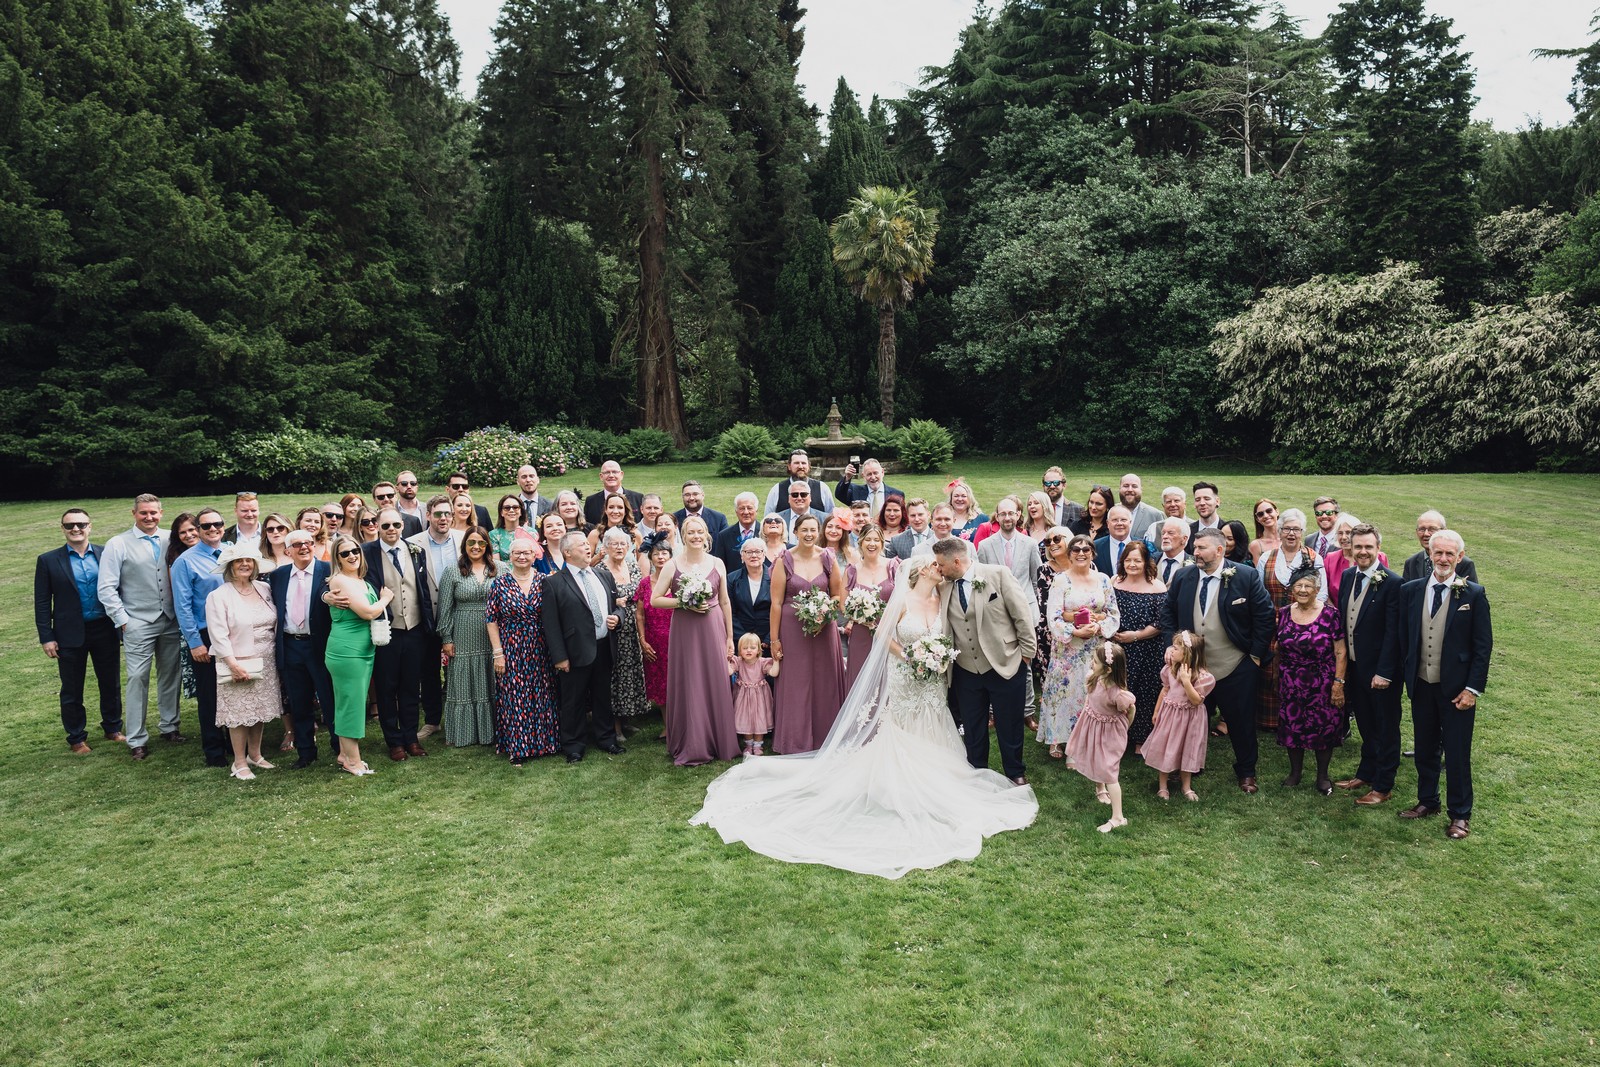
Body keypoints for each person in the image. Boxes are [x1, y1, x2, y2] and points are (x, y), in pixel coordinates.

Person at [691, 551, 1038, 880]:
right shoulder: (901, 601)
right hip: (905, 676)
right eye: (934, 566)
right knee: (901, 729)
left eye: (940, 566)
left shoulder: (943, 598)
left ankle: (942, 777)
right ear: (920, 573)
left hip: (932, 683)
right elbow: (885, 638)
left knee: (934, 723)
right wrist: (913, 658)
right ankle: (903, 783)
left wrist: (936, 658)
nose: (939, 569)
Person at [1391, 530, 1492, 840]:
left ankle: (1460, 814)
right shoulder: (1411, 590)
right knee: (1424, 748)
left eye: (1450, 554)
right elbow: (1404, 637)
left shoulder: (1473, 594)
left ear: (1460, 557)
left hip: (1457, 690)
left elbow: (1482, 647)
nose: (1444, 559)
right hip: (1421, 684)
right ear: (1430, 555)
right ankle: (1427, 801)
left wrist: (1472, 689)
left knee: (1458, 754)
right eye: (1439, 553)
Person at [1159, 528, 1275, 793]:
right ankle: (1189, 765)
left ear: (1220, 550)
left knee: (1241, 722)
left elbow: (1265, 616)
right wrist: (1171, 645)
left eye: (1201, 548)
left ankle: (1246, 772)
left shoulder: (1244, 576)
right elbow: (1168, 611)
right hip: (1193, 668)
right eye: (1195, 547)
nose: (1195, 552)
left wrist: (1254, 656)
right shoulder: (1184, 576)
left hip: (1234, 664)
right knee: (1188, 719)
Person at [98, 494, 185, 760]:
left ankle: (169, 726)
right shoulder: (118, 543)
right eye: (143, 513)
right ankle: (136, 738)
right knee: (137, 678)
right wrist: (123, 619)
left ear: (161, 512)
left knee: (171, 675)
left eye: (154, 513)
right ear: (134, 513)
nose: (149, 517)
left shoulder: (172, 538)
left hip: (170, 619)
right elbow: (106, 587)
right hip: (137, 621)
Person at [36, 508, 124, 753]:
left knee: (111, 683)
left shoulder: (105, 554)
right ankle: (76, 737)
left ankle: (113, 728)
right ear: (62, 528)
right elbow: (42, 601)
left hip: (105, 629)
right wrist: (47, 637)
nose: (76, 529)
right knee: (72, 688)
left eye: (81, 524)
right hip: (69, 633)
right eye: (70, 525)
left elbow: (119, 589)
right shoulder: (48, 560)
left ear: (90, 526)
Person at [652, 515, 739, 765]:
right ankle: (692, 741)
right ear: (683, 535)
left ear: (707, 534)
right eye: (691, 532)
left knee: (714, 679)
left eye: (700, 531)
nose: (696, 536)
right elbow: (656, 599)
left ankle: (717, 739)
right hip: (685, 629)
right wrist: (683, 602)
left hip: (712, 627)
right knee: (690, 681)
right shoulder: (673, 564)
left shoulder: (718, 563)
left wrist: (730, 636)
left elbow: (724, 601)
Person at [1333, 524, 1405, 806]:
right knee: (1365, 723)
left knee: (1386, 727)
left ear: (1378, 549)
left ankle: (1384, 784)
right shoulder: (1349, 575)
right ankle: (1366, 772)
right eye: (1358, 546)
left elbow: (1394, 633)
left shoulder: (1392, 582)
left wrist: (1384, 672)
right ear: (1350, 547)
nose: (1363, 552)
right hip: (1354, 666)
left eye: (1368, 547)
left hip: (1381, 672)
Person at [543, 532, 625, 762]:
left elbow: (618, 605)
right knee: (573, 700)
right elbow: (550, 624)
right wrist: (559, 656)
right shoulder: (553, 582)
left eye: (588, 545)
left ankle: (606, 739)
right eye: (582, 545)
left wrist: (618, 618)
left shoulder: (603, 575)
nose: (588, 549)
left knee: (602, 697)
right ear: (567, 552)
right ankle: (573, 745)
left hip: (603, 647)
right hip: (574, 651)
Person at [769, 513, 846, 754]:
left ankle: (826, 737)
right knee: (796, 682)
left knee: (825, 681)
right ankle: (795, 740)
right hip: (793, 630)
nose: (809, 534)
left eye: (813, 530)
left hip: (824, 629)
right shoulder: (784, 560)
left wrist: (825, 612)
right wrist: (774, 639)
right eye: (804, 530)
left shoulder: (828, 558)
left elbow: (838, 596)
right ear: (795, 532)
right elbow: (776, 603)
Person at [363, 507, 434, 761]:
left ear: (402, 526)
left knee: (411, 687)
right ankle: (394, 741)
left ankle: (411, 738)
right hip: (386, 631)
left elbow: (422, 589)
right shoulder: (366, 552)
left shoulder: (416, 550)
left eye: (395, 525)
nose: (391, 530)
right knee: (386, 688)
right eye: (385, 526)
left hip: (415, 630)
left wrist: (427, 625)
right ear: (378, 528)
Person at [205, 545, 281, 780]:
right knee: (239, 713)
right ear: (230, 566)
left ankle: (255, 755)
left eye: (249, 560)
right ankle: (238, 762)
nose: (245, 565)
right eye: (239, 561)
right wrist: (232, 663)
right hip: (237, 660)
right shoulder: (219, 595)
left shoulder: (264, 588)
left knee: (259, 709)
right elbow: (218, 634)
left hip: (267, 658)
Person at [1041, 534, 1118, 763]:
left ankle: (1088, 740)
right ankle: (1059, 738)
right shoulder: (1061, 580)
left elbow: (1113, 613)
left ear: (1093, 553)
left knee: (1091, 693)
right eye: (1076, 550)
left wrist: (1099, 626)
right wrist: (1074, 631)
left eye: (1086, 549)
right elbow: (1052, 616)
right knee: (1066, 692)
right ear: (1069, 554)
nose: (1081, 553)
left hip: (1095, 647)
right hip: (1068, 650)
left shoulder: (1103, 579)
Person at [485, 532, 560, 765]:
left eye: (526, 552)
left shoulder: (545, 581)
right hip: (511, 648)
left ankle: (546, 743)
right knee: (514, 696)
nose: (521, 556)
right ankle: (518, 746)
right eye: (516, 552)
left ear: (534, 555)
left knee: (543, 694)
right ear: (509, 556)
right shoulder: (500, 583)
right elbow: (491, 619)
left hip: (541, 646)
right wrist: (498, 653)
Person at [1275, 564, 1347, 796]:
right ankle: (1295, 773)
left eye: (1308, 586)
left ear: (1317, 590)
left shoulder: (1331, 614)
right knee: (1292, 727)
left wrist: (1338, 683)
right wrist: (1278, 676)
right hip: (1291, 680)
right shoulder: (1284, 612)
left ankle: (1322, 776)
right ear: (1292, 591)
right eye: (1299, 586)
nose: (1303, 590)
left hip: (1322, 682)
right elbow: (1278, 646)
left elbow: (1341, 652)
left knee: (1323, 729)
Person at [324, 534, 392, 776]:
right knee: (350, 704)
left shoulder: (360, 580)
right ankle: (353, 761)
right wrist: (385, 598)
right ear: (337, 558)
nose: (352, 555)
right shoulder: (340, 581)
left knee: (350, 701)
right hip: (347, 651)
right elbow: (366, 612)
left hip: (364, 650)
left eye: (355, 551)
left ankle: (344, 754)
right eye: (345, 553)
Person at [269, 530, 337, 768]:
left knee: (330, 700)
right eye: (297, 545)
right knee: (299, 702)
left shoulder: (328, 571)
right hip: (290, 645)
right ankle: (306, 752)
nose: (304, 548)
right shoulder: (278, 576)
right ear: (288, 551)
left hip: (321, 645)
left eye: (308, 543)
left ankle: (340, 748)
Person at [1256, 508, 1327, 732]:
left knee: (1299, 670)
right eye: (1286, 529)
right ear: (1279, 531)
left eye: (1296, 529)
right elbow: (1258, 591)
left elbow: (1322, 594)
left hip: (1302, 623)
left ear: (1303, 532)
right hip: (1271, 622)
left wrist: (1304, 616)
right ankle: (1269, 720)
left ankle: (1301, 718)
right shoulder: (1267, 557)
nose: (1291, 534)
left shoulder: (1314, 558)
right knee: (1270, 667)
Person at [173, 507, 229, 768]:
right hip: (205, 633)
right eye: (205, 526)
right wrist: (195, 643)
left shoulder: (231, 551)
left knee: (234, 689)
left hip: (234, 630)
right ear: (198, 529)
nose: (212, 529)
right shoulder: (186, 561)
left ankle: (235, 743)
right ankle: (214, 750)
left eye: (217, 524)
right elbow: (182, 606)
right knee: (210, 694)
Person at [1065, 644, 1137, 832]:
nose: (1092, 663)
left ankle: (1118, 817)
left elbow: (1130, 711)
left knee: (1109, 770)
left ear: (1108, 669)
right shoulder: (1093, 679)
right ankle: (1100, 788)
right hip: (1092, 726)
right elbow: (1091, 700)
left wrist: (1124, 729)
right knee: (1097, 759)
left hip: (1110, 734)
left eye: (1095, 661)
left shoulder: (1118, 694)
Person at [407, 495, 461, 739]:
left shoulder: (464, 539)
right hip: (425, 616)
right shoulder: (411, 543)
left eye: (447, 513)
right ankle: (432, 719)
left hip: (459, 615)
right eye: (437, 514)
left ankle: (458, 716)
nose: (443, 518)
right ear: (427, 515)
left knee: (458, 668)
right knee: (428, 669)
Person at [438, 527, 497, 747]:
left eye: (481, 543)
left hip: (494, 634)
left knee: (490, 679)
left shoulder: (499, 568)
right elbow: (444, 607)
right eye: (471, 542)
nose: (476, 547)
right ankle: (464, 733)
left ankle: (492, 732)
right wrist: (446, 637)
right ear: (464, 545)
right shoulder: (453, 571)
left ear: (487, 545)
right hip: (462, 633)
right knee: (463, 682)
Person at [1143, 632, 1216, 802]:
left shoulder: (1204, 677)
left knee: (1188, 749)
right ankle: (1163, 785)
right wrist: (1156, 711)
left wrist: (1186, 681)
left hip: (1191, 719)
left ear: (1187, 654)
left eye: (1175, 649)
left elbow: (1196, 700)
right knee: (1166, 747)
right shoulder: (1170, 669)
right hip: (1170, 716)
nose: (1171, 651)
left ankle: (1186, 786)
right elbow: (1165, 690)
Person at [1111, 540, 1167, 754]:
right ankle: (1117, 737)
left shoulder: (1156, 586)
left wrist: (1135, 636)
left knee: (1144, 694)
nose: (1132, 564)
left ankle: (1140, 740)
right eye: (1128, 560)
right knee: (1118, 692)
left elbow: (1161, 622)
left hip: (1147, 649)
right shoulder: (1114, 581)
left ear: (1146, 563)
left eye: (1137, 560)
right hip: (1118, 650)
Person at [598, 526, 649, 727]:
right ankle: (615, 724)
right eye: (614, 544)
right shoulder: (600, 570)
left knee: (632, 671)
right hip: (613, 629)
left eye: (623, 544)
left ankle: (628, 717)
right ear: (606, 547)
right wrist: (614, 603)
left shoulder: (632, 565)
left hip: (633, 627)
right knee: (615, 674)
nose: (619, 548)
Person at [843, 522, 895, 692]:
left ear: (882, 543)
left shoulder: (893, 567)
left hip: (889, 633)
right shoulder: (851, 571)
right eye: (868, 540)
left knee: (887, 680)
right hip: (861, 634)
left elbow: (904, 601)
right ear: (860, 542)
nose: (872, 544)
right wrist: (859, 615)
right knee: (860, 681)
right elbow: (844, 606)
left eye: (876, 540)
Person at [637, 538, 674, 714]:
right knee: (659, 683)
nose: (660, 557)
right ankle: (667, 725)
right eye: (656, 554)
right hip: (654, 642)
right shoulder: (644, 584)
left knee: (678, 680)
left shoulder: (679, 581)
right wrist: (643, 641)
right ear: (651, 557)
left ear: (671, 556)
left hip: (677, 640)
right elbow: (640, 615)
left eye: (664, 553)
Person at [731, 633, 779, 757]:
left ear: (758, 650)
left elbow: (773, 673)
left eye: (752, 648)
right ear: (739, 650)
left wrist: (776, 661)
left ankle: (758, 745)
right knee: (746, 719)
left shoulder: (762, 662)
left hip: (759, 697)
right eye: (745, 648)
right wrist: (727, 659)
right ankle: (749, 745)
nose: (748, 650)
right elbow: (729, 671)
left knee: (759, 719)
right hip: (743, 697)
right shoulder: (739, 662)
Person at [1322, 512, 1388, 603]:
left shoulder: (1379, 557)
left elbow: (1385, 589)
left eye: (1348, 532)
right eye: (1340, 533)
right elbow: (1324, 591)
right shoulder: (1330, 559)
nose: (1344, 537)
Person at [1401, 510, 1479, 582]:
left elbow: (1471, 594)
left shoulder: (1464, 564)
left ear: (1444, 530)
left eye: (1432, 529)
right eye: (1422, 529)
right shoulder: (1411, 563)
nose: (1426, 534)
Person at [728, 537, 773, 650]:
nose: (753, 555)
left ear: (764, 555)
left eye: (758, 551)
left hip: (768, 641)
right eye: (748, 552)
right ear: (742, 556)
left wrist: (769, 638)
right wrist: (745, 638)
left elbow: (779, 608)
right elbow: (729, 612)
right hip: (741, 642)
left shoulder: (775, 577)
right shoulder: (732, 579)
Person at [764, 449, 836, 516]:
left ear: (809, 466)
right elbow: (767, 519)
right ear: (789, 466)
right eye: (796, 463)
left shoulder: (822, 488)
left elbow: (831, 517)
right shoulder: (777, 490)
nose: (800, 466)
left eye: (803, 463)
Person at [582, 461, 645, 525]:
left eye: (614, 472)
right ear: (601, 476)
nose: (611, 475)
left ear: (621, 475)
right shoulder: (590, 502)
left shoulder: (638, 498)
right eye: (607, 472)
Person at [712, 492, 762, 573]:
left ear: (756, 510)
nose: (746, 512)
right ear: (736, 511)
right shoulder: (724, 536)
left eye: (749, 508)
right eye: (742, 508)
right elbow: (720, 566)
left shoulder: (765, 533)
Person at [835, 457, 899, 517]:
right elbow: (840, 495)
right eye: (869, 474)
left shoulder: (896, 494)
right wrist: (847, 477)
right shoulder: (855, 491)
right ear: (863, 476)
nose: (873, 477)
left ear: (882, 472)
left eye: (875, 473)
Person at [1092, 506, 1137, 578]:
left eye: (1123, 520)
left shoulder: (1143, 546)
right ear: (1107, 523)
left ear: (1130, 523)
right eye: (1115, 520)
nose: (1119, 523)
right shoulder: (1095, 547)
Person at [1118, 474, 1165, 543]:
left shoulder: (1155, 515)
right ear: (1119, 489)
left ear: (1141, 490)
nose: (1130, 489)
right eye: (1126, 486)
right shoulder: (1110, 512)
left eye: (1134, 486)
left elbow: (1160, 546)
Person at [1153, 518, 1194, 586]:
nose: (1165, 537)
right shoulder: (1151, 560)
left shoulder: (1194, 564)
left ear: (1184, 539)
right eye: (1163, 533)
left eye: (1170, 533)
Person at [490, 494, 527, 562]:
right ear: (501, 512)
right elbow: (496, 563)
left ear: (521, 511)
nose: (511, 510)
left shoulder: (531, 533)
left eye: (515, 507)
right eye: (507, 508)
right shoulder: (494, 535)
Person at [1189, 481, 1224, 550]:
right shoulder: (1188, 531)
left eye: (1207, 499)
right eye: (1197, 499)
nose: (1202, 503)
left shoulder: (1227, 531)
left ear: (1217, 501)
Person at [533, 511, 567, 576]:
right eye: (549, 526)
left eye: (559, 525)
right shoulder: (536, 554)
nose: (555, 528)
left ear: (565, 528)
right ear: (543, 531)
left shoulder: (575, 551)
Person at [1248, 498, 1280, 564]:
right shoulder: (1256, 545)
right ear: (1257, 519)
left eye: (1269, 511)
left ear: (1277, 512)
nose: (1265, 516)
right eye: (1260, 514)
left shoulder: (1290, 538)